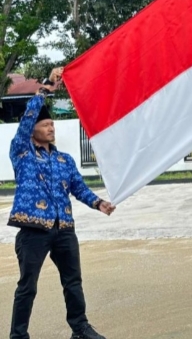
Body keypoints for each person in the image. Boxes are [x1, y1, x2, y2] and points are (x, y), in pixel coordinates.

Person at [9, 68, 115, 339]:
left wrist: (97, 203)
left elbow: (78, 187)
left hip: (64, 229)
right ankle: (18, 335)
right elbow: (29, 117)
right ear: (32, 130)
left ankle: (79, 329)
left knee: (73, 282)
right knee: (27, 286)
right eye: (46, 125)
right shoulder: (22, 152)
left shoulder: (64, 160)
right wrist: (46, 87)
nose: (51, 127)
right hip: (33, 229)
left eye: (53, 124)